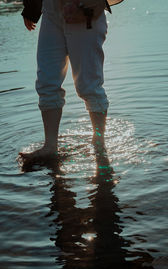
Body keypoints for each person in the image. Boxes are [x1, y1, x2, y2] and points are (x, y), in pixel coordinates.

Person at [19, 0, 110, 160]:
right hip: (51, 10)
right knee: (47, 83)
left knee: (88, 85)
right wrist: (31, 8)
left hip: (85, 8)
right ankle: (50, 147)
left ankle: (99, 143)